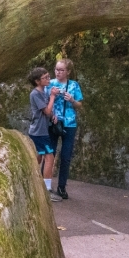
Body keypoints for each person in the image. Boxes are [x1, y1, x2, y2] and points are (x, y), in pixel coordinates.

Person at [49, 58, 84, 200]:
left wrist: (72, 100)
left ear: (68, 72)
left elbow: (79, 105)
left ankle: (62, 187)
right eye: (56, 69)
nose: (58, 72)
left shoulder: (74, 85)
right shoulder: (50, 84)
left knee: (66, 156)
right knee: (49, 154)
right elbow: (43, 102)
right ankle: (45, 185)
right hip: (53, 122)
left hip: (69, 124)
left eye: (61, 70)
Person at [28, 67, 62, 202]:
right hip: (39, 132)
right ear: (37, 81)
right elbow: (46, 111)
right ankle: (46, 190)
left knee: (39, 158)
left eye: (49, 76)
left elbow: (49, 112)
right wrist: (53, 97)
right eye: (45, 78)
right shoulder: (35, 94)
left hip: (42, 131)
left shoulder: (43, 92)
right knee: (50, 158)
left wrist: (53, 116)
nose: (49, 79)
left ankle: (31, 183)